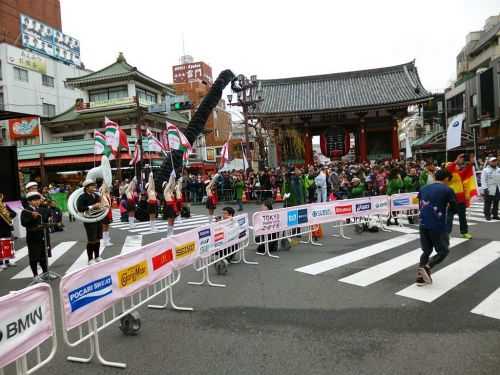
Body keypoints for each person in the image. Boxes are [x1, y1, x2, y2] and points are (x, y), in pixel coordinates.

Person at [415, 169, 456, 286]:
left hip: (423, 223)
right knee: (443, 250)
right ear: (446, 178)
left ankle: (420, 277)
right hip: (437, 224)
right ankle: (427, 268)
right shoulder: (447, 189)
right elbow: (454, 208)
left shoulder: (424, 188)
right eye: (449, 180)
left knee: (426, 251)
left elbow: (420, 204)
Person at [446, 153, 475, 239]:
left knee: (462, 217)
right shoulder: (449, 174)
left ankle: (464, 232)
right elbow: (449, 169)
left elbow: (466, 173)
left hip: (461, 199)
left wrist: (470, 164)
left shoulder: (459, 174)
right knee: (449, 218)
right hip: (451, 199)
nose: (459, 164)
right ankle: (447, 233)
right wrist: (455, 161)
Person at [21, 192, 48, 281]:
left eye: (38, 200)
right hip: (32, 237)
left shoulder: (41, 209)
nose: (37, 202)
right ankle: (35, 275)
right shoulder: (25, 211)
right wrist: (32, 217)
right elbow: (24, 223)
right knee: (34, 256)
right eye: (34, 200)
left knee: (43, 256)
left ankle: (45, 273)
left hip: (42, 235)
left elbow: (45, 220)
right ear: (29, 202)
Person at [76, 180, 103, 265]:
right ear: (87, 187)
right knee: (91, 240)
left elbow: (101, 205)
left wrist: (101, 205)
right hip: (89, 220)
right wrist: (92, 206)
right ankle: (90, 259)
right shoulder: (82, 197)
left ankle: (97, 256)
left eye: (94, 186)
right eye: (92, 186)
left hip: (98, 218)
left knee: (98, 238)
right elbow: (80, 208)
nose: (94, 187)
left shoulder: (96, 195)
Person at [0, 193, 17, 269]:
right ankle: (0, 263)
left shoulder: (4, 205)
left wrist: (7, 213)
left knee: (7, 244)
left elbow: (14, 213)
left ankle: (7, 261)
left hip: (6, 227)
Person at [480, 156, 500, 220]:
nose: (494, 162)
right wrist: (485, 188)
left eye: (495, 161)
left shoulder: (499, 169)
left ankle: (495, 214)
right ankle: (487, 215)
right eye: (493, 161)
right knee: (488, 202)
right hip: (489, 188)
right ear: (489, 162)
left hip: (497, 187)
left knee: (496, 202)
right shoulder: (485, 170)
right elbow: (483, 179)